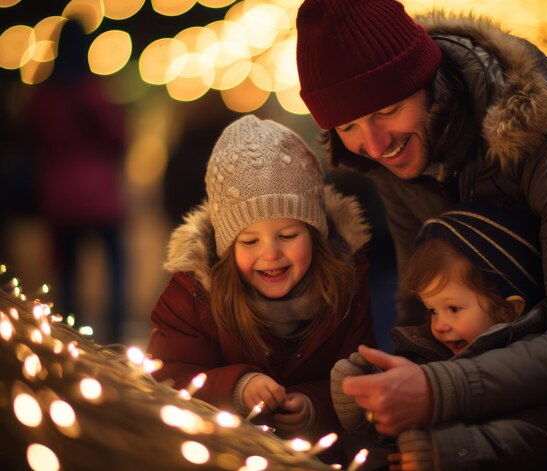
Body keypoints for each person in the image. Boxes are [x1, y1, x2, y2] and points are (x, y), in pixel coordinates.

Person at [295, 0, 547, 468]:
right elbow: (420, 308)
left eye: (388, 109)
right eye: (348, 125)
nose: (373, 145)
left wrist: (437, 390)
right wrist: (384, 383)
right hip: (519, 378)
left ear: (429, 83)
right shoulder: (391, 156)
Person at [145, 115, 376, 462]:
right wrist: (236, 388)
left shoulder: (344, 288)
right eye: (249, 240)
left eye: (287, 235)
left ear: (315, 233)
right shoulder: (193, 297)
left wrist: (313, 406)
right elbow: (166, 378)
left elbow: (359, 377)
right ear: (226, 247)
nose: (270, 253)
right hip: (216, 456)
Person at [331, 202, 547, 470]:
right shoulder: (428, 352)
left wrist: (450, 450)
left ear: (507, 310)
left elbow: (533, 438)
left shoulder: (529, 366)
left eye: (453, 308)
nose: (439, 326)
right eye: (432, 310)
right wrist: (364, 403)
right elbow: (390, 430)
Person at [26, 18, 127, 343]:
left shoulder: (43, 96)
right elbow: (117, 136)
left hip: (59, 197)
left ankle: (70, 336)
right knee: (116, 265)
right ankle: (115, 333)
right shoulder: (90, 91)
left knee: (68, 271)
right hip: (98, 194)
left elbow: (34, 141)